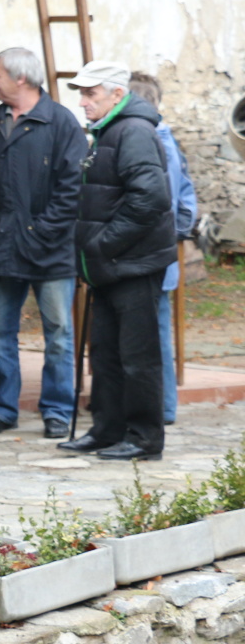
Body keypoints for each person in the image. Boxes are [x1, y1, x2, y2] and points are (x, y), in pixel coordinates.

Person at [0, 47, 88, 439]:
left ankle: (57, 411)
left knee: (59, 335)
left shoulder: (61, 123)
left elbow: (73, 189)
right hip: (3, 247)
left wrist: (39, 231)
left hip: (52, 251)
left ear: (21, 78)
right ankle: (2, 409)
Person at [58, 61, 175, 462]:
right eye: (82, 93)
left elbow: (150, 200)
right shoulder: (109, 130)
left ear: (117, 94)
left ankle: (144, 438)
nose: (83, 101)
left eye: (90, 94)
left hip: (133, 264)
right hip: (109, 265)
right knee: (105, 353)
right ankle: (107, 430)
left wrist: (102, 244)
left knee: (138, 358)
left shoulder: (134, 131)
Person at [129, 72, 197, 426]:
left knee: (153, 334)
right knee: (155, 332)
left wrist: (168, 235)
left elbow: (171, 201)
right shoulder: (167, 141)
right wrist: (176, 232)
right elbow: (187, 200)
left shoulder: (157, 143)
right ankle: (160, 405)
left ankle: (161, 406)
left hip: (149, 254)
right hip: (159, 252)